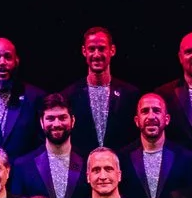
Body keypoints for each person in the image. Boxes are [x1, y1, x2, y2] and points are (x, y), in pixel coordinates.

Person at [58, 24, 139, 154]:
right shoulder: (69, 95)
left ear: (112, 50)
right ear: (84, 51)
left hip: (121, 168)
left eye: (101, 49)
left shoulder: (130, 94)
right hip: (82, 170)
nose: (96, 54)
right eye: (92, 49)